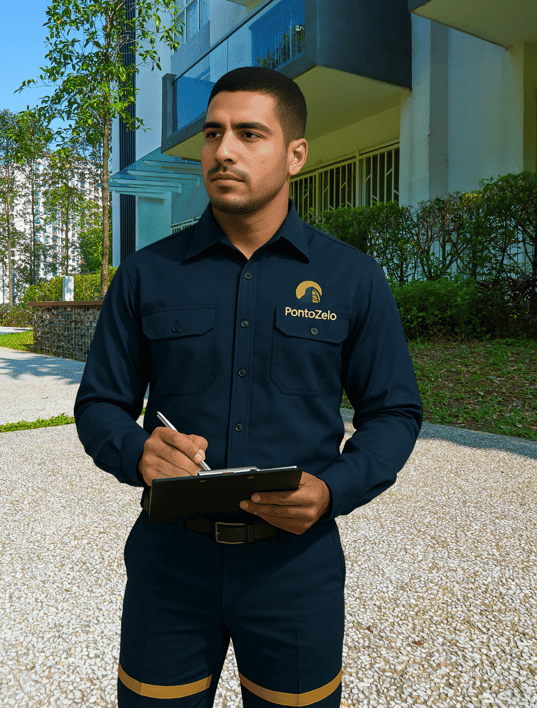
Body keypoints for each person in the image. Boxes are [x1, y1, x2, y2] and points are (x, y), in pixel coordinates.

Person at [74, 66, 422, 707]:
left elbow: (394, 410)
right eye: (213, 133)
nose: (224, 151)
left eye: (249, 133)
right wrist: (137, 451)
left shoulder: (352, 278)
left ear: (295, 154)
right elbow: (99, 403)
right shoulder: (147, 274)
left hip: (296, 568)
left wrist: (334, 489)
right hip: (170, 564)